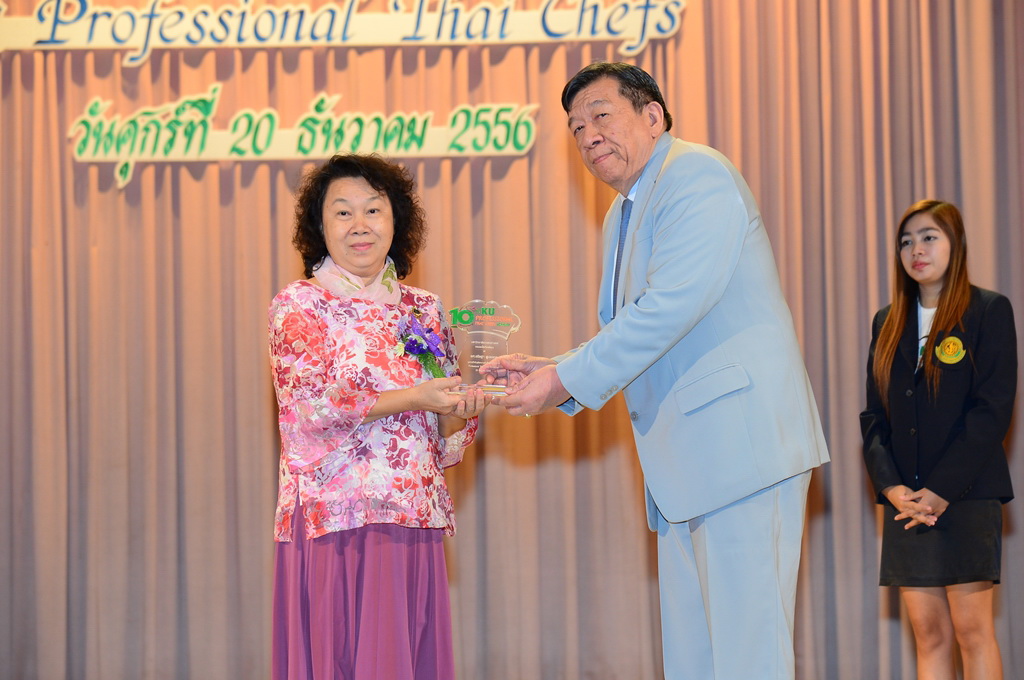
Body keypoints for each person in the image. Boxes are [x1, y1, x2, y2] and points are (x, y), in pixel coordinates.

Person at [482, 62, 830, 679]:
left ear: (653, 116)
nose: (587, 135)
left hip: (739, 453)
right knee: (695, 663)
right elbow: (639, 327)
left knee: (748, 658)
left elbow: (669, 308)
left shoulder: (697, 175)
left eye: (600, 115)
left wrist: (562, 381)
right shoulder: (623, 213)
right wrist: (552, 367)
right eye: (575, 128)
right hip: (685, 468)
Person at [268, 153, 488, 680]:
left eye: (373, 209)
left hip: (410, 510)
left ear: (396, 221)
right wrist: (415, 397)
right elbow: (308, 408)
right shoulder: (299, 304)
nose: (360, 225)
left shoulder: (424, 308)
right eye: (343, 212)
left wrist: (470, 401)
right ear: (320, 226)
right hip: (333, 514)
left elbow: (441, 409)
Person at [861, 199, 1016, 679]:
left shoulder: (987, 310)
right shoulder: (887, 321)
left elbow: (992, 411)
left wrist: (942, 490)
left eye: (929, 237)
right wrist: (891, 488)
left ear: (955, 244)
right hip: (908, 504)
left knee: (972, 632)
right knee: (928, 634)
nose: (916, 250)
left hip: (966, 494)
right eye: (906, 241)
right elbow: (874, 417)